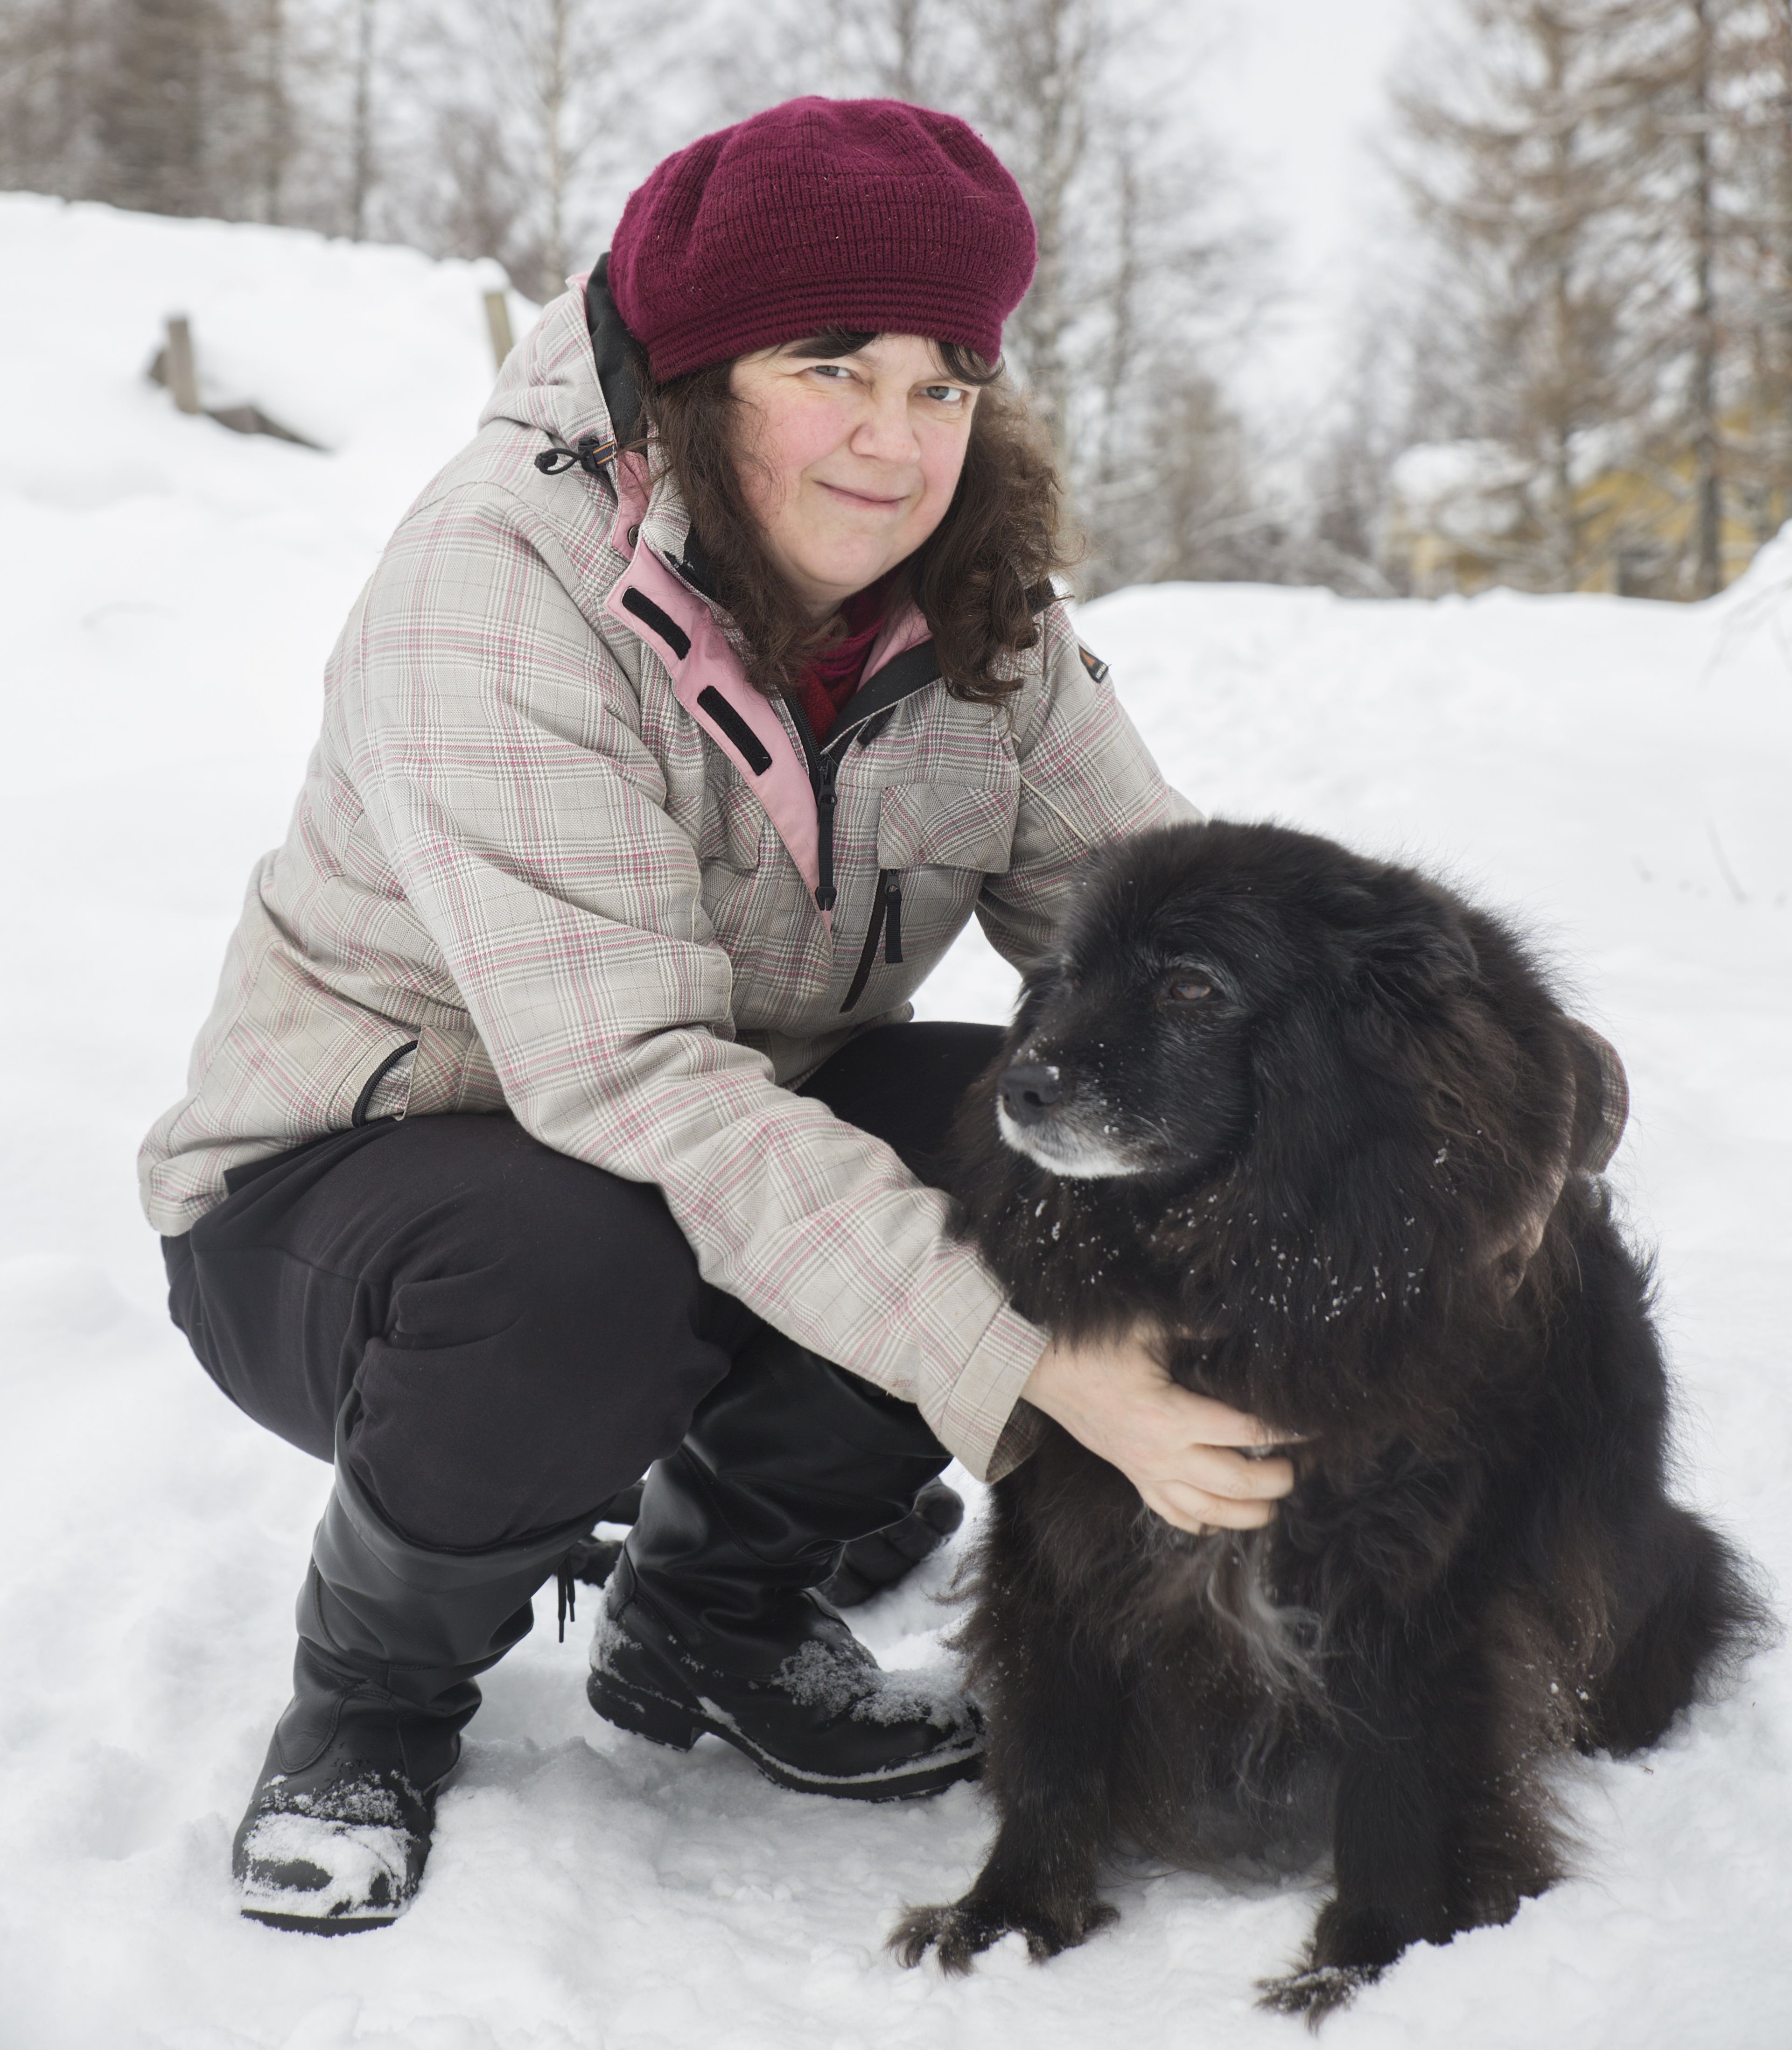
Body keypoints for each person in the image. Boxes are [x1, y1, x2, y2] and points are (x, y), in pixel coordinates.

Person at [140, 97, 1296, 1936]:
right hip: (356, 1216)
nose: (893, 437)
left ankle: (711, 1621)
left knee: (1025, 1133)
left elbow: (1159, 922)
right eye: (829, 364)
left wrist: (1434, 1076)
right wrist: (1031, 1369)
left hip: (712, 1164)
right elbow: (642, 1087)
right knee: (574, 1264)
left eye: (942, 382)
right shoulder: (498, 595)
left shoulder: (980, 613)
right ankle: (368, 1700)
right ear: (689, 378)